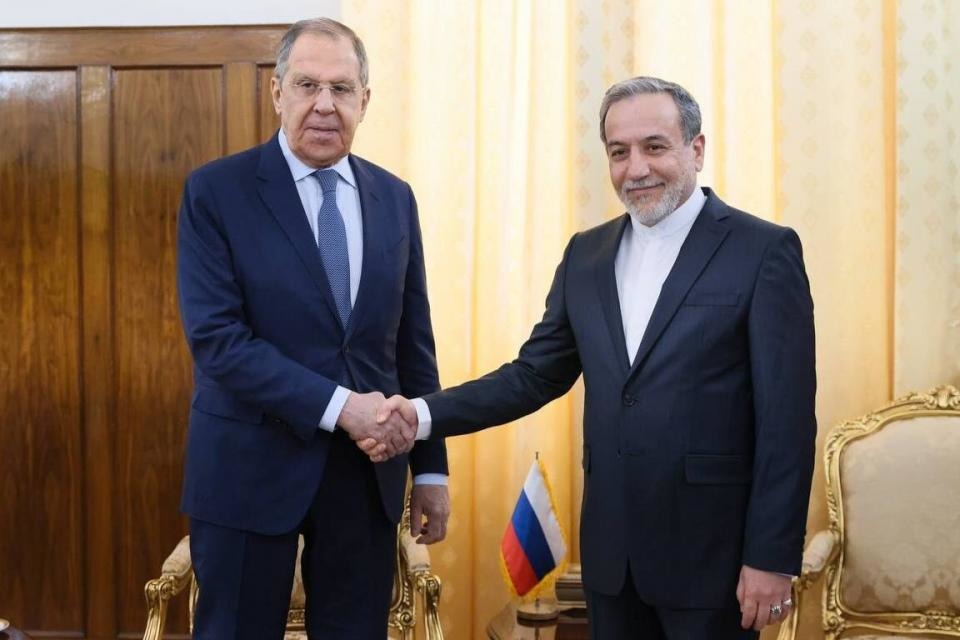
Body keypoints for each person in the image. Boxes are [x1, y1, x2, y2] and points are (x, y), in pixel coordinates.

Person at [369, 76, 816, 639]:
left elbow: (786, 422)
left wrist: (771, 557)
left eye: (655, 146)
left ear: (696, 149)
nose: (637, 168)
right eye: (619, 152)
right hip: (612, 561)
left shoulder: (764, 250)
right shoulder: (586, 255)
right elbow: (532, 376)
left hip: (714, 561)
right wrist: (420, 414)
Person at [176, 17, 449, 640]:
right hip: (247, 470)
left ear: (365, 100)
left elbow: (413, 343)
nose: (325, 104)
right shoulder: (216, 192)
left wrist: (431, 470)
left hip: (365, 478)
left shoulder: (395, 197)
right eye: (307, 85)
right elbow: (219, 342)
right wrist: (344, 408)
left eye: (342, 88)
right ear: (278, 92)